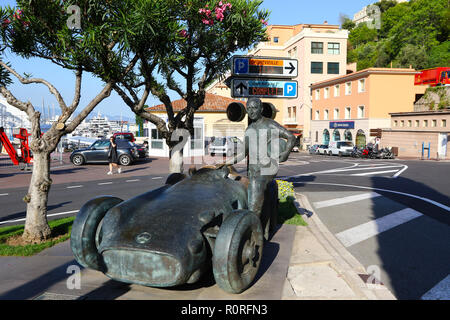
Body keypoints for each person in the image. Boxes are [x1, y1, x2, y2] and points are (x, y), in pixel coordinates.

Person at [225, 98, 295, 217]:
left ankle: (252, 228)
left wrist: (285, 153)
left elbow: (291, 137)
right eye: (249, 109)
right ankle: (259, 226)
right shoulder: (249, 130)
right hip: (253, 171)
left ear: (261, 109)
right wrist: (225, 163)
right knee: (249, 196)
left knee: (254, 204)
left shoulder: (270, 124)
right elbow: (242, 154)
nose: (251, 112)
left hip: (266, 169)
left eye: (254, 108)